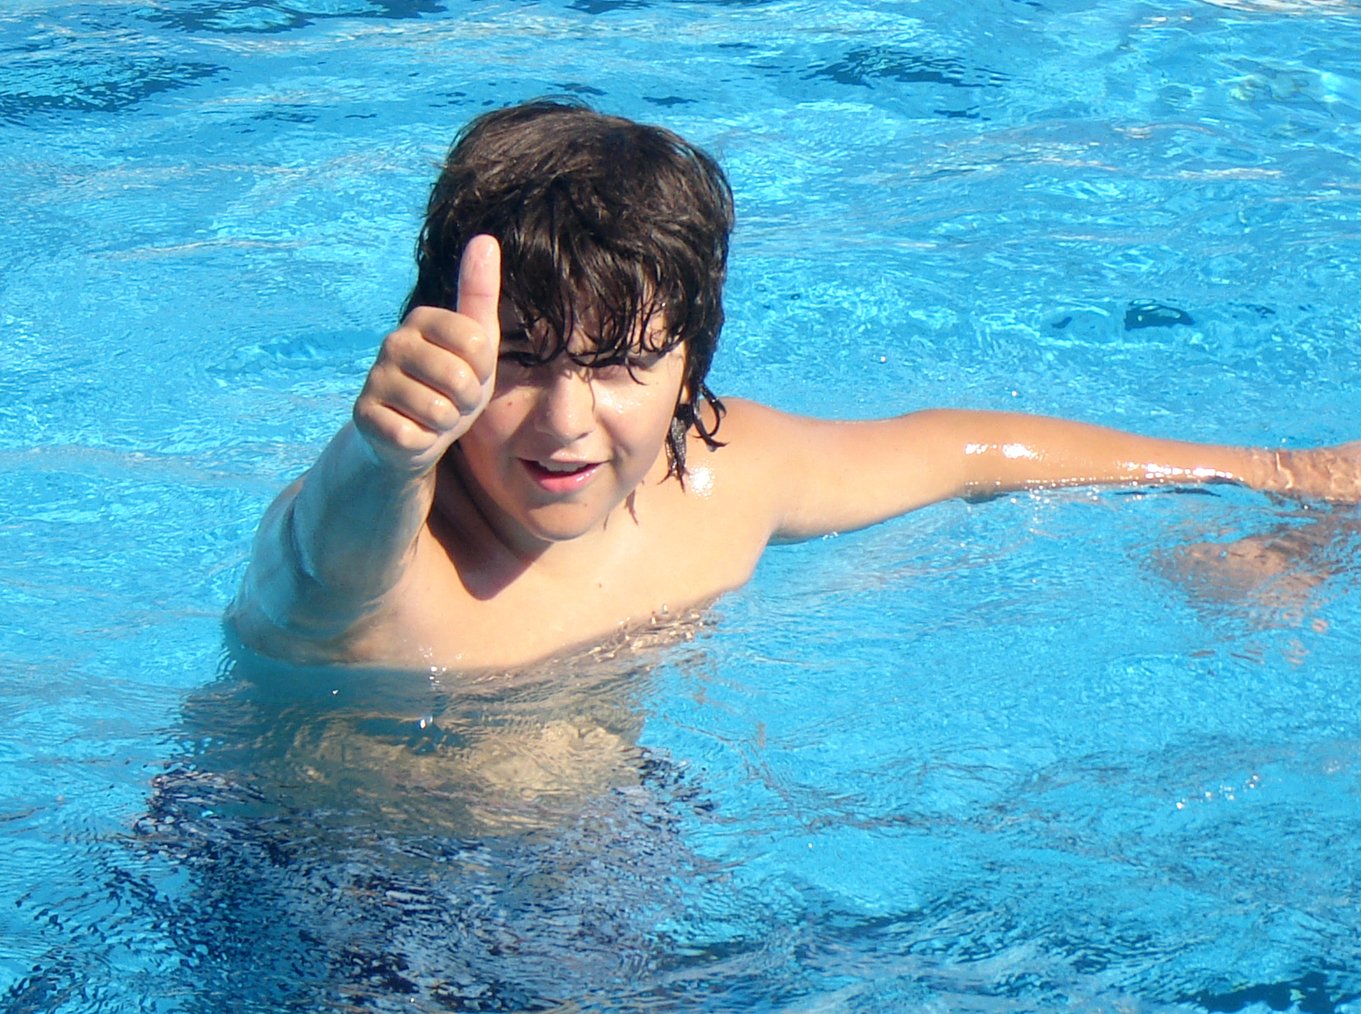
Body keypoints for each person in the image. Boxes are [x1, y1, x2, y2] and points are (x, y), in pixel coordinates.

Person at [229, 99, 1361, 671]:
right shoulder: (389, 551)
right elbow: (323, 566)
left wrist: (1274, 476)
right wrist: (381, 454)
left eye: (620, 362)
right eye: (517, 358)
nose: (564, 421)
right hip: (337, 901)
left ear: (690, 367)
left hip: (601, 867)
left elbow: (966, 454)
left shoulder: (712, 483)